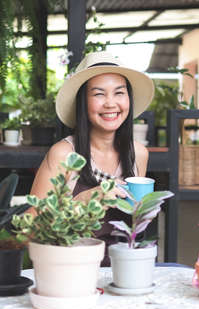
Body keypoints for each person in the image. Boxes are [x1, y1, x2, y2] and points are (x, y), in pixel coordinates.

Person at [29, 51, 155, 265]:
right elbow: (30, 231)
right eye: (98, 94)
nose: (110, 103)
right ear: (82, 102)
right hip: (71, 271)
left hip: (123, 271)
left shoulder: (138, 154)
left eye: (119, 93)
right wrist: (82, 201)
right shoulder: (64, 155)